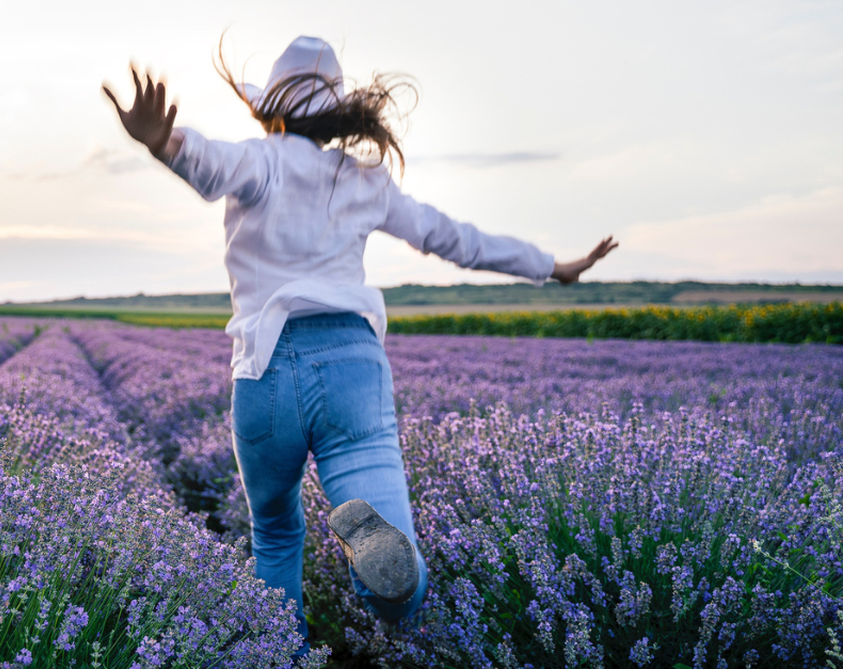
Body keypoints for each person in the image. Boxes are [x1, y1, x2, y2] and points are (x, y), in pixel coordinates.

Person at [103, 35, 617, 654]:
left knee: (273, 532)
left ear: (273, 111)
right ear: (335, 116)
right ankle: (389, 575)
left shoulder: (263, 160)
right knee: (388, 536)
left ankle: (279, 654)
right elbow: (453, 237)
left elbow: (210, 163)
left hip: (267, 370)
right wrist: (552, 266)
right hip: (353, 366)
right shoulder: (364, 180)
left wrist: (164, 143)